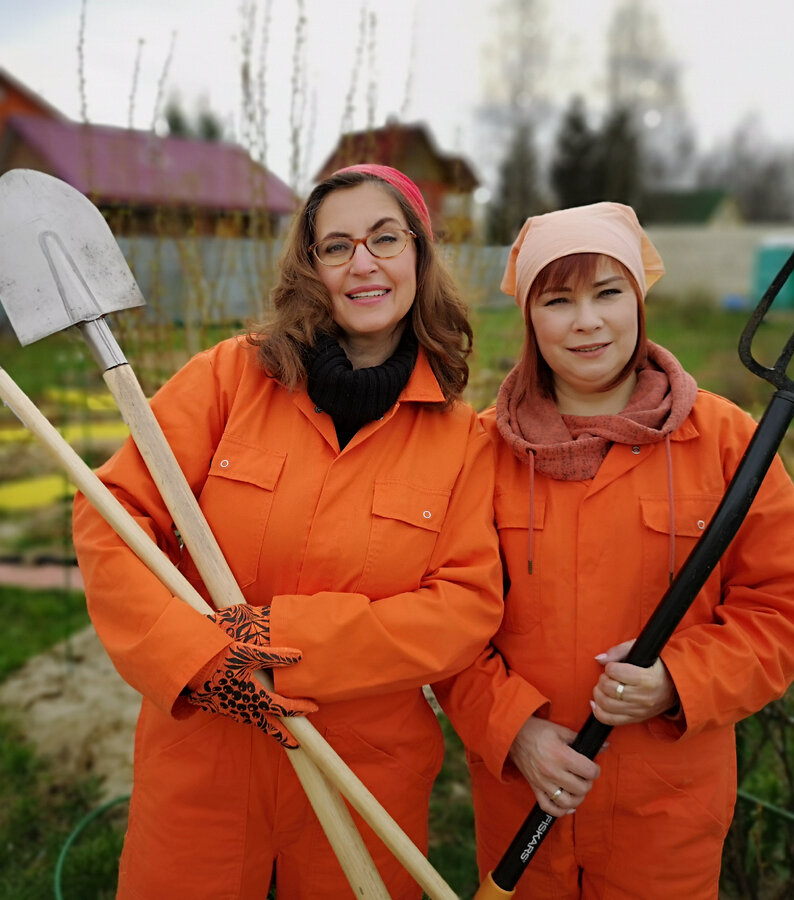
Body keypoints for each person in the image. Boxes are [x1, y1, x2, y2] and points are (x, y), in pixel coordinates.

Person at [72, 164, 504, 899]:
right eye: (336, 247)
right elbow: (112, 519)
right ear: (311, 269)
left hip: (363, 774)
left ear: (419, 259)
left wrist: (284, 642)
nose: (362, 262)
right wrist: (200, 659)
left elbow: (464, 607)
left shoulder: (463, 440)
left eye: (384, 238)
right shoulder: (228, 380)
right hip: (206, 760)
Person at [433, 203, 794, 898]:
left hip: (667, 807)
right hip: (525, 799)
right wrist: (516, 731)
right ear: (530, 317)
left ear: (639, 301)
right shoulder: (480, 450)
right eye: (558, 300)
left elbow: (787, 609)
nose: (587, 321)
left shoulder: (727, 444)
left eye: (607, 293)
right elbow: (444, 620)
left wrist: (680, 680)